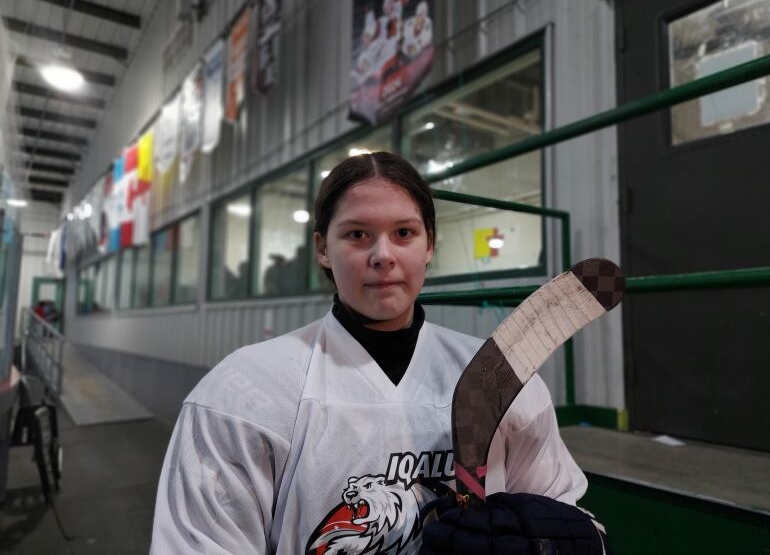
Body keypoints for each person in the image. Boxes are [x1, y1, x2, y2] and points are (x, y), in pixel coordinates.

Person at [150, 152, 601, 554]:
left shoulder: (503, 381)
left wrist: (556, 541)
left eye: (404, 232)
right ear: (323, 249)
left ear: (430, 246)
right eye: (358, 234)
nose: (383, 255)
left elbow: (565, 510)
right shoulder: (243, 392)